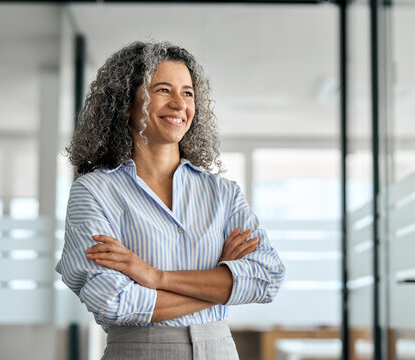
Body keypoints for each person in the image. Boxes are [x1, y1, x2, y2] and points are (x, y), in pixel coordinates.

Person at [55, 41, 285, 360]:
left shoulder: (223, 193)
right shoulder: (94, 192)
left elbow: (266, 278)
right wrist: (221, 283)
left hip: (218, 350)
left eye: (188, 93)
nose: (179, 104)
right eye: (163, 90)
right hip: (138, 350)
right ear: (126, 103)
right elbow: (113, 300)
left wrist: (155, 277)